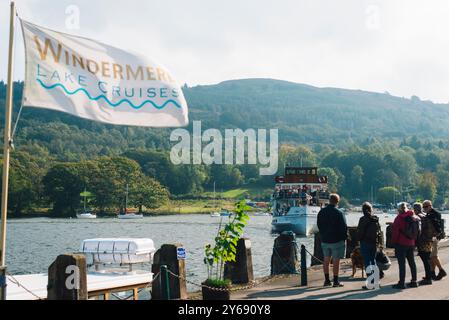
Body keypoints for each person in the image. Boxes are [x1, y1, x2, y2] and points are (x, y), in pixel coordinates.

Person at [317, 193, 348, 287]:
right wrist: (344, 238)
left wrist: (323, 234)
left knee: (326, 260)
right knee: (336, 261)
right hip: (337, 240)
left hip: (325, 240)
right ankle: (335, 281)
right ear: (337, 202)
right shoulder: (339, 213)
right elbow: (344, 227)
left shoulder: (321, 212)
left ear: (329, 200)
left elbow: (319, 225)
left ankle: (326, 280)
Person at [356, 202, 384, 289]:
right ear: (371, 210)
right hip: (374, 243)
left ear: (363, 210)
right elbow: (379, 232)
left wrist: (357, 239)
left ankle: (371, 283)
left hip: (365, 243)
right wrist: (380, 243)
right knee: (373, 262)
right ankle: (376, 282)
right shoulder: (375, 219)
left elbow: (360, 232)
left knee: (367, 263)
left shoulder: (362, 219)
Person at [391, 202, 419, 289]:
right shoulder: (413, 216)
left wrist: (394, 242)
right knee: (412, 262)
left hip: (401, 243)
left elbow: (395, 232)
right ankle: (414, 281)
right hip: (411, 242)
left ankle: (402, 283)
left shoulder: (399, 218)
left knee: (402, 264)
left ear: (399, 209)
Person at [422, 200, 447, 280]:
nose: (424, 208)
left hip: (434, 237)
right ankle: (432, 272)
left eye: (426, 206)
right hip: (436, 236)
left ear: (430, 206)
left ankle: (441, 270)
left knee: (433, 256)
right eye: (423, 207)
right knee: (432, 256)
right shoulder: (434, 213)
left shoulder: (432, 214)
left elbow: (434, 225)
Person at [414, 202, 435, 285]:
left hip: (422, 241)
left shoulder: (418, 217)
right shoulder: (425, 215)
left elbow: (418, 231)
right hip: (429, 240)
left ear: (415, 209)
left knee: (425, 260)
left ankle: (428, 278)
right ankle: (428, 276)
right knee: (428, 259)